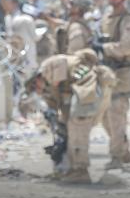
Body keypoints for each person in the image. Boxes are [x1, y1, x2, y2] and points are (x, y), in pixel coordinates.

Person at [35, 48, 115, 182]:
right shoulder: (51, 75)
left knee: (77, 130)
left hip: (86, 95)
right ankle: (73, 168)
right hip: (84, 95)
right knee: (72, 131)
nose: (38, 90)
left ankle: (80, 171)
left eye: (36, 87)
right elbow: (58, 97)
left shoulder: (50, 66)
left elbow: (57, 86)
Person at [99, 0, 130, 170]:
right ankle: (123, 149)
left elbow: (128, 46)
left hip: (121, 72)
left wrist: (104, 48)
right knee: (105, 117)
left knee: (116, 113)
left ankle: (116, 156)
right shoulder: (107, 18)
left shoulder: (127, 20)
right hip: (106, 72)